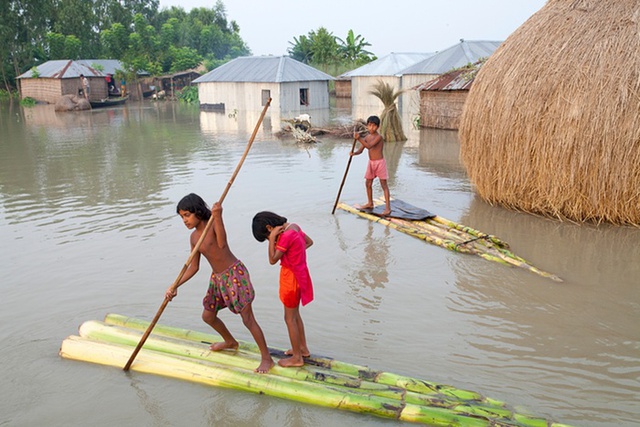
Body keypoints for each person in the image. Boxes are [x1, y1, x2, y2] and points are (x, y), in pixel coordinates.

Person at [165, 193, 274, 373]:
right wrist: (174, 286)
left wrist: (218, 217)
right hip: (218, 279)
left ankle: (266, 358)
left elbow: (222, 245)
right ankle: (230, 341)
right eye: (182, 217)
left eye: (187, 215)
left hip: (234, 275)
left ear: (198, 212)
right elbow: (194, 267)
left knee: (247, 319)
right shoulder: (194, 238)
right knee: (208, 316)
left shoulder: (213, 224)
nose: (184, 220)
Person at [252, 211, 313, 368]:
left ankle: (297, 358)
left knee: (289, 318)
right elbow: (308, 242)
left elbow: (272, 260)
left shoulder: (284, 237)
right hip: (301, 274)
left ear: (269, 227)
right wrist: (295, 255)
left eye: (266, 236)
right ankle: (302, 348)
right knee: (295, 315)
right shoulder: (294, 227)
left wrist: (272, 239)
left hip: (291, 278)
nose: (269, 239)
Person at [351, 115, 391, 216]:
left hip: (380, 163)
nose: (371, 128)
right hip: (371, 163)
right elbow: (361, 150)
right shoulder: (367, 137)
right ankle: (370, 203)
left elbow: (369, 146)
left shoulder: (379, 137)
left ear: (377, 127)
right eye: (369, 125)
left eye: (373, 126)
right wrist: (354, 153)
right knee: (368, 183)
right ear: (367, 126)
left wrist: (359, 138)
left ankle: (388, 208)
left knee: (384, 185)